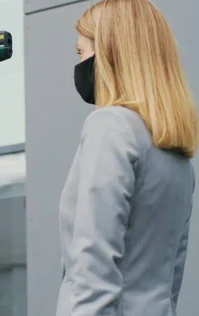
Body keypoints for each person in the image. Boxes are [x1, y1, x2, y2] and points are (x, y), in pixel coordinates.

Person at [57, 1, 197, 315]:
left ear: (109, 55)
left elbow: (94, 269)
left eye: (81, 52)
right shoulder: (177, 156)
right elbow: (170, 279)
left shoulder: (111, 127)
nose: (78, 64)